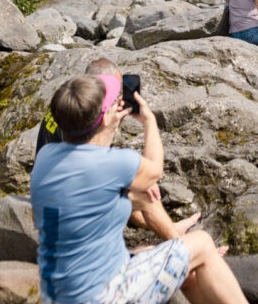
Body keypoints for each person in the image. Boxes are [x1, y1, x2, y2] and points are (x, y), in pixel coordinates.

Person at [30, 73, 258, 304]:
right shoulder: (114, 163)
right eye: (114, 103)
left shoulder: (46, 158)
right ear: (106, 117)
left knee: (168, 259)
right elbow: (154, 170)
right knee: (202, 244)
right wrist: (149, 120)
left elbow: (89, 198)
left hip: (57, 301)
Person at [35, 56, 195, 242]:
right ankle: (178, 244)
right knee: (145, 194)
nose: (120, 96)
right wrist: (149, 120)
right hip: (78, 205)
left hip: (58, 194)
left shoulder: (69, 107)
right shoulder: (92, 133)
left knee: (127, 188)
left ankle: (167, 229)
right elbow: (152, 171)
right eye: (116, 90)